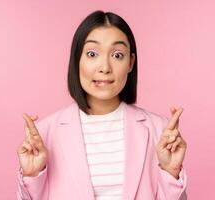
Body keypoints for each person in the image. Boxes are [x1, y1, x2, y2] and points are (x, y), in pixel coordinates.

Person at [16, 10, 187, 200]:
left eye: (117, 55)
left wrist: (171, 171)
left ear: (130, 63)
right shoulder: (45, 133)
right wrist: (32, 177)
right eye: (92, 54)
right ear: (76, 60)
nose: (104, 67)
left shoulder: (160, 131)